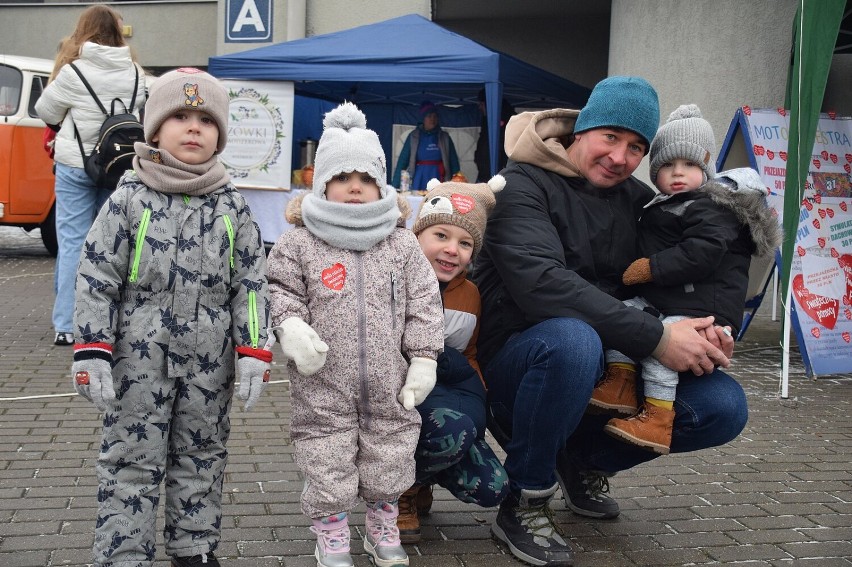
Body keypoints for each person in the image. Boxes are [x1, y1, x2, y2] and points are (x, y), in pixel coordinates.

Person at [472, 76, 747, 566]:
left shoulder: (641, 202)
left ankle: (579, 462)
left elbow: (698, 263)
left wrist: (711, 326)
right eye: (611, 138)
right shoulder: (520, 184)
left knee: (723, 405)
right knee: (571, 341)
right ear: (582, 131)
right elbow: (542, 285)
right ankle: (525, 498)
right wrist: (659, 338)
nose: (621, 157)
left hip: (615, 361)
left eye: (637, 146)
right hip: (523, 361)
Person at [70, 68, 272, 567]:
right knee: (130, 459)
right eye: (179, 116)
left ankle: (194, 549)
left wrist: (253, 350)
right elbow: (97, 275)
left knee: (201, 458)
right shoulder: (128, 200)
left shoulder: (233, 207)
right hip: (137, 365)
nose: (193, 127)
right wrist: (92, 348)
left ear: (220, 135)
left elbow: (250, 283)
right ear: (154, 130)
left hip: (210, 367)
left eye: (205, 119)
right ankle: (122, 552)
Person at [267, 101, 444, 567]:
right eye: (343, 177)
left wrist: (424, 358)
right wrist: (290, 327)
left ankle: (382, 525)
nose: (354, 188)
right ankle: (331, 532)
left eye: (366, 179)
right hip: (323, 380)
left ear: (381, 184)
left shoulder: (401, 243)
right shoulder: (300, 242)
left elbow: (424, 303)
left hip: (389, 379)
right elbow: (279, 290)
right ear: (322, 182)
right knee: (326, 455)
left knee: (389, 454)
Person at [591, 105, 781, 454]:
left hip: (704, 309)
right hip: (672, 301)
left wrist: (651, 268)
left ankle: (658, 419)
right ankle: (618, 381)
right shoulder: (664, 205)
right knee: (625, 315)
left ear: (707, 168)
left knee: (659, 348)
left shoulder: (712, 207)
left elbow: (702, 253)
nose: (678, 173)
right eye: (667, 166)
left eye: (690, 165)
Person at [397, 175, 510, 543]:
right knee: (449, 431)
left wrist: (477, 403)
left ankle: (423, 475)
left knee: (492, 487)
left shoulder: (471, 294)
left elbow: (470, 354)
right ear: (417, 237)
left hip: (447, 402)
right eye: (441, 236)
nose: (452, 250)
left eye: (465, 243)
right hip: (398, 405)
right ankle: (398, 492)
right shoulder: (393, 281)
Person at [35, 4, 145, 346]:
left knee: (71, 242)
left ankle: (67, 324)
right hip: (117, 167)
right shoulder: (137, 73)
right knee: (109, 244)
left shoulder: (74, 72)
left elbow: (45, 111)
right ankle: (106, 320)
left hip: (74, 164)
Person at [392, 100, 461, 190]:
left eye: (435, 116)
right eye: (429, 116)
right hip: (419, 179)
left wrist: (459, 184)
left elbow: (454, 162)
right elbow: (402, 162)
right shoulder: (414, 136)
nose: (433, 119)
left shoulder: (444, 137)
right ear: (423, 119)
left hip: (440, 179)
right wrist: (394, 186)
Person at [474, 90, 514, 182]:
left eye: (481, 104)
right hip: (484, 174)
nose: (479, 107)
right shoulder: (487, 120)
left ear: (487, 104)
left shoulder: (506, 120)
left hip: (497, 176)